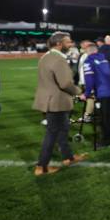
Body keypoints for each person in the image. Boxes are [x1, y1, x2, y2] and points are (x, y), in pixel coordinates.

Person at [32, 32, 88, 176]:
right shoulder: (58, 59)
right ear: (59, 44)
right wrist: (78, 91)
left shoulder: (46, 56)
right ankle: (41, 166)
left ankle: (68, 158)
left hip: (50, 100)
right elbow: (65, 84)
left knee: (62, 130)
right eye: (68, 42)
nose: (71, 44)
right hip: (56, 101)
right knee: (52, 133)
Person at [82, 43, 110, 148]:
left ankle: (106, 141)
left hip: (102, 92)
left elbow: (89, 79)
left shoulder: (89, 61)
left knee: (104, 118)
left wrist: (86, 93)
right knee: (109, 118)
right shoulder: (104, 59)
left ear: (88, 51)